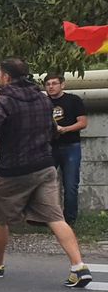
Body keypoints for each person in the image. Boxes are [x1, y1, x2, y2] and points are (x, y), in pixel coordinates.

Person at [0, 58, 92, 288]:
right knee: (56, 217)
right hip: (44, 166)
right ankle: (79, 267)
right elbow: (53, 131)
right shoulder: (42, 99)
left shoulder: (4, 102)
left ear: (6, 77)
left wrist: (1, 143)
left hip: (14, 169)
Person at [45, 73, 87, 224]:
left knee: (70, 185)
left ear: (62, 85)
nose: (51, 86)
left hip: (71, 147)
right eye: (48, 84)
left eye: (54, 83)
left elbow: (82, 123)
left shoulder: (73, 100)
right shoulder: (42, 102)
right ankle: (46, 218)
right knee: (44, 184)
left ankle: (69, 220)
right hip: (49, 147)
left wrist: (65, 129)